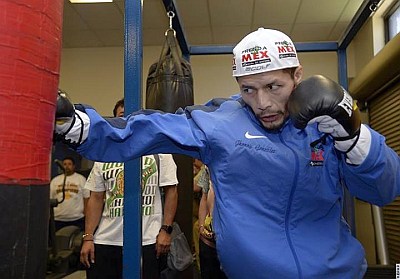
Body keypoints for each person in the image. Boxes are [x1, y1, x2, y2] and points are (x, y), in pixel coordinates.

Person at [55, 28, 400, 278]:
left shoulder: (324, 124)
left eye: (273, 87)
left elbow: (384, 190)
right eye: (249, 89)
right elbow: (152, 128)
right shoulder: (222, 123)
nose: (262, 103)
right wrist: (81, 127)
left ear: (297, 76)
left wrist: (354, 136)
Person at [80, 99, 179, 279]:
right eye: (121, 116)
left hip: (148, 239)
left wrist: (166, 230)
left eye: (132, 116)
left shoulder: (159, 151)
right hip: (106, 239)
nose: (126, 120)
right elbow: (96, 198)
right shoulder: (104, 153)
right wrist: (88, 237)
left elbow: (172, 192)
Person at [197, 164, 227, 279]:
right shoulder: (208, 167)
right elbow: (204, 197)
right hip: (208, 240)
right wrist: (201, 227)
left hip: (228, 239)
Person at [50, 156, 89, 231]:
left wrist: (86, 214)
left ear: (74, 166)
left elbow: (86, 197)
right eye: (64, 164)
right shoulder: (55, 181)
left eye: (69, 164)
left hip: (77, 218)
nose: (67, 166)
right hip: (58, 218)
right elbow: (50, 199)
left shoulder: (81, 179)